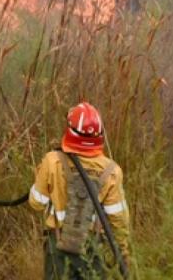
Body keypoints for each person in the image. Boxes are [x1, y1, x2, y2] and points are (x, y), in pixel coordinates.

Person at [28, 102, 130, 279]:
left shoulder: (52, 161)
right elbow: (119, 220)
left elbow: (36, 203)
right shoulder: (112, 171)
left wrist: (40, 175)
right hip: (93, 248)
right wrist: (123, 252)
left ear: (70, 131)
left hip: (58, 247)